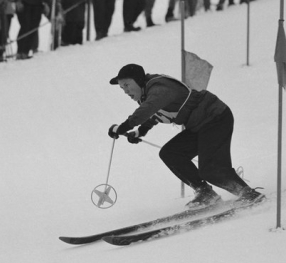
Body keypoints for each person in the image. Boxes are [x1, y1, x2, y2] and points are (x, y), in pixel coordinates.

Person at [107, 64, 264, 208]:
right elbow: (156, 113)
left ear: (139, 80)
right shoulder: (147, 93)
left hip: (215, 118)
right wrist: (140, 131)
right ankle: (205, 193)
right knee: (171, 153)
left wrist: (123, 127)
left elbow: (148, 109)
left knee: (210, 170)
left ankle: (248, 194)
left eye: (127, 85)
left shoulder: (159, 88)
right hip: (199, 126)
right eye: (122, 88)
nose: (126, 91)